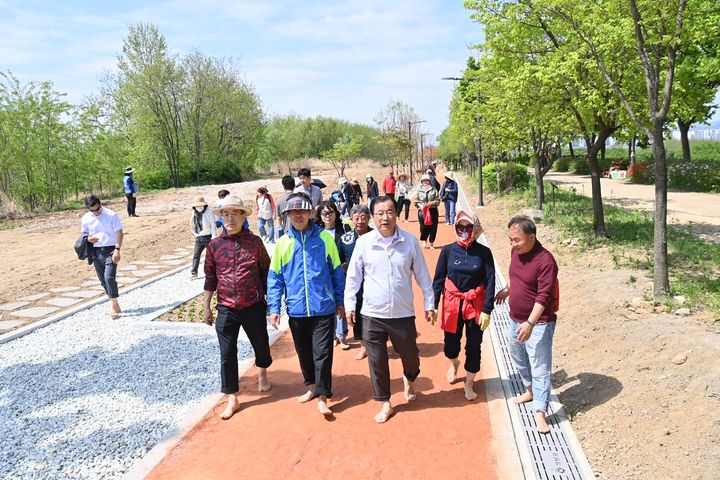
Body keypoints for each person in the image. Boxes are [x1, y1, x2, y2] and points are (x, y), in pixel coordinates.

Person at [344, 195, 436, 423]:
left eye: (389, 212)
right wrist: (349, 304)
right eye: (379, 213)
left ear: (396, 214)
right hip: (372, 313)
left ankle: (410, 378)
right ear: (373, 217)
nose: (385, 218)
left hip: (402, 313)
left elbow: (423, 275)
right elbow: (353, 277)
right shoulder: (364, 243)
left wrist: (429, 303)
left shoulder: (410, 241)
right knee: (377, 361)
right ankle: (385, 402)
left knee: (411, 357)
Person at [267, 192, 346, 416]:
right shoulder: (283, 244)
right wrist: (274, 308)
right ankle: (311, 386)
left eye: (302, 211)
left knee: (322, 352)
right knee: (304, 352)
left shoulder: (325, 239)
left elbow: (336, 273)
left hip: (323, 307)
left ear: (311, 213)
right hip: (297, 309)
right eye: (293, 212)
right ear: (287, 215)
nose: (298, 216)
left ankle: (323, 396)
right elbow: (275, 279)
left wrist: (339, 301)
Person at [203, 194, 272, 420]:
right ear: (220, 218)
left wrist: (269, 303)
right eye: (225, 214)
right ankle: (232, 396)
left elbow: (265, 272)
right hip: (226, 307)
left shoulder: (255, 243)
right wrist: (207, 306)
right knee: (227, 353)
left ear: (243, 216)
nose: (230, 218)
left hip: (252, 304)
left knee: (260, 344)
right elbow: (210, 277)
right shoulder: (214, 246)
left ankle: (262, 372)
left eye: (235, 213)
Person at [495, 215, 559, 434]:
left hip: (538, 323)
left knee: (540, 366)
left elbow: (544, 296)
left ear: (532, 236)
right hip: (514, 318)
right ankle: (530, 389)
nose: (513, 245)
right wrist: (507, 289)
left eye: (517, 240)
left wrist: (530, 323)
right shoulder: (516, 252)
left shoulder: (545, 261)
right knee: (517, 356)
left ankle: (540, 412)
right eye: (510, 240)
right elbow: (516, 277)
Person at [432, 211, 495, 401]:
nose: (464, 231)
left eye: (468, 228)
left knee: (474, 345)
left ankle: (469, 383)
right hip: (453, 304)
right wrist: (433, 304)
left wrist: (487, 309)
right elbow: (439, 279)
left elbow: (491, 281)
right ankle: (454, 363)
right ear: (456, 227)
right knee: (450, 346)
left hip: (475, 305)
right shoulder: (448, 250)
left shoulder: (484, 252)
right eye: (461, 227)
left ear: (475, 228)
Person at [337, 204, 372, 360]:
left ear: (369, 218)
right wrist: (344, 267)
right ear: (351, 220)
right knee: (357, 315)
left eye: (363, 217)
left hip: (375, 283)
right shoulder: (345, 239)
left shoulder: (377, 235)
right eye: (356, 218)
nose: (360, 221)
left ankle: (380, 343)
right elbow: (338, 261)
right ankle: (364, 346)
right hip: (355, 286)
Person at [315, 200, 352, 350]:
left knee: (340, 302)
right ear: (320, 216)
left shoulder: (344, 228)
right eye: (324, 213)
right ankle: (332, 335)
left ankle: (342, 335)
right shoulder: (316, 232)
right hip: (323, 274)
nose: (328, 216)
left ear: (336, 213)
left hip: (341, 273)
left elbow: (350, 249)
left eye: (331, 212)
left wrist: (346, 265)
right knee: (327, 305)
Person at [81, 195, 124, 318]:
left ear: (100, 204)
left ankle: (114, 306)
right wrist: (89, 239)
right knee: (103, 280)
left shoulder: (111, 215)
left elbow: (119, 233)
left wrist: (117, 249)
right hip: (96, 252)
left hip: (111, 249)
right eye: (92, 210)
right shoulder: (85, 218)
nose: (95, 212)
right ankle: (114, 303)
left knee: (109, 277)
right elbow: (84, 235)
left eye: (97, 209)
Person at [189, 196, 218, 279]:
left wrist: (214, 236)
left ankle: (213, 271)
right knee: (196, 255)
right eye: (197, 206)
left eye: (200, 206)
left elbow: (213, 225)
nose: (199, 208)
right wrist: (194, 233)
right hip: (199, 237)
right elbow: (192, 223)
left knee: (211, 255)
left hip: (208, 237)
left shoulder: (209, 212)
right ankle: (194, 272)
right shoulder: (194, 212)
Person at [414, 174, 440, 249]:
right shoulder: (419, 190)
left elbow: (438, 200)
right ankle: (424, 240)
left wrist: (432, 203)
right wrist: (421, 206)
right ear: (421, 182)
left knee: (433, 227)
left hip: (432, 211)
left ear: (429, 181)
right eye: (424, 180)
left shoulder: (434, 189)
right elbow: (416, 201)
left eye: (427, 180)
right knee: (423, 227)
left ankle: (431, 243)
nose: (425, 182)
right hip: (422, 211)